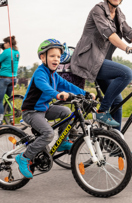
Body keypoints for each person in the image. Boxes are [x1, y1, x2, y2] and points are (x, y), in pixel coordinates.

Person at [71, 0, 132, 131]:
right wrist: (128, 49)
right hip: (89, 60)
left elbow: (129, 32)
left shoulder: (118, 13)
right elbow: (110, 34)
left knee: (117, 102)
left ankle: (115, 144)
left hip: (101, 62)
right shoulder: (98, 10)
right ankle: (101, 112)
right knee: (126, 73)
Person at [15, 39, 95, 179]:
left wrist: (85, 93)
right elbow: (45, 87)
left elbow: (67, 85)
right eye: (52, 56)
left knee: (67, 112)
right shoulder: (40, 73)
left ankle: (63, 142)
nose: (56, 59)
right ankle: (24, 157)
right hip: (31, 111)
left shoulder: (54, 75)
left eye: (58, 57)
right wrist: (57, 94)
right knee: (48, 133)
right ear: (42, 57)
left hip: (44, 109)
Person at [0, 36, 20, 126]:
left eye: (4, 43)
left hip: (4, 78)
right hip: (13, 78)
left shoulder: (6, 51)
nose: (3, 45)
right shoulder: (17, 52)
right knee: (8, 99)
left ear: (8, 43)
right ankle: (11, 119)